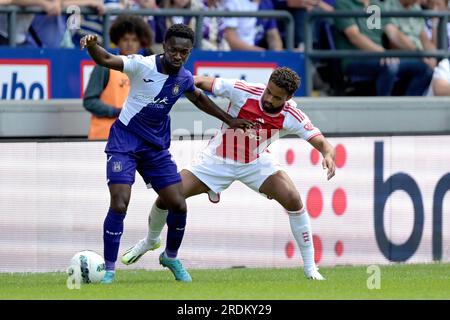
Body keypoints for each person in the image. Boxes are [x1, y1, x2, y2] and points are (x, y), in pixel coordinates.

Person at [121, 67, 336, 281]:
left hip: (255, 161)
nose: (269, 98)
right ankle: (151, 240)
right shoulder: (244, 91)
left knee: (293, 199)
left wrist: (327, 154)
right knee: (168, 196)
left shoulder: (292, 115)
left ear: (288, 98)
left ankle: (310, 268)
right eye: (268, 91)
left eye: (276, 97)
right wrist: (171, 83)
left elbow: (321, 142)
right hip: (217, 160)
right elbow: (202, 81)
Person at [80, 23, 253, 284]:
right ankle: (109, 270)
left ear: (190, 52)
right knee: (119, 202)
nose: (178, 56)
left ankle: (170, 256)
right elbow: (105, 59)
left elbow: (198, 98)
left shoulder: (183, 77)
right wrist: (92, 44)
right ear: (165, 46)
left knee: (178, 202)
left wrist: (230, 120)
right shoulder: (142, 64)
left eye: (184, 52)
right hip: (125, 141)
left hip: (155, 148)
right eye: (174, 50)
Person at [83, 14, 153, 140]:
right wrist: (117, 112)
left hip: (134, 139)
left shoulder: (147, 69)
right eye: (125, 39)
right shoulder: (104, 66)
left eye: (134, 40)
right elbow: (89, 101)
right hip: (104, 137)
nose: (130, 44)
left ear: (141, 42)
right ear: (117, 41)